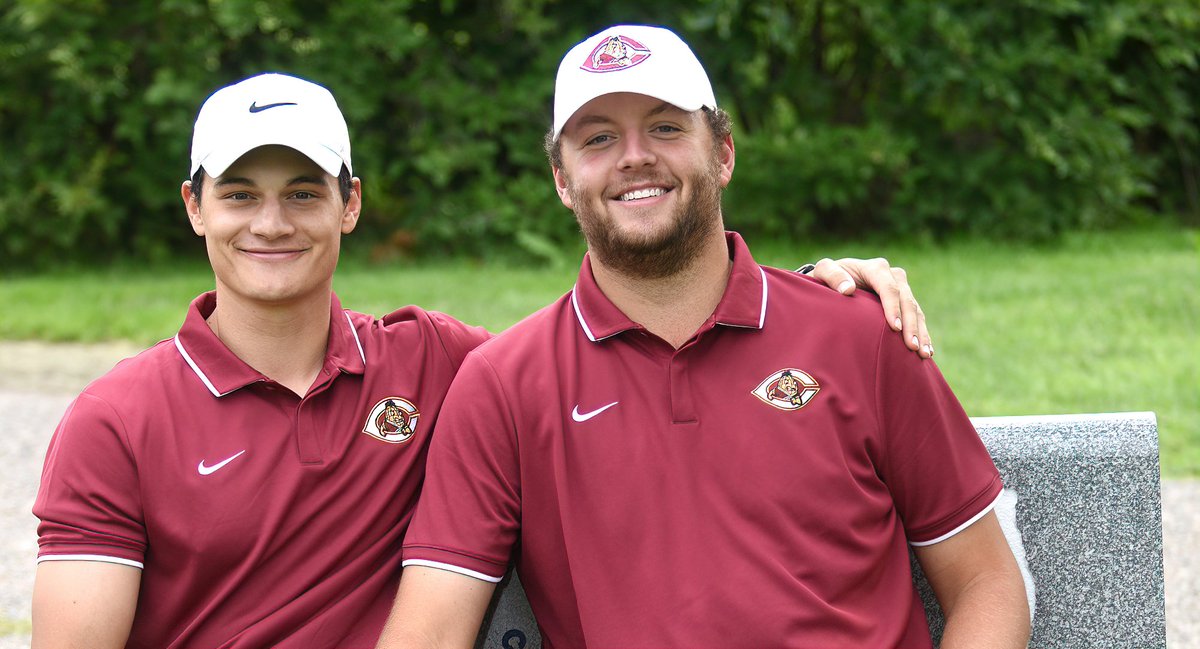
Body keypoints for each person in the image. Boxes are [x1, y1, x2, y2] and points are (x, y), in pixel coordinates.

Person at [30, 72, 929, 648]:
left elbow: (610, 355)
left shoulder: (430, 363)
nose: (272, 223)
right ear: (194, 206)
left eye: (303, 191)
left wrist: (810, 296)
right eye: (240, 194)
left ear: (349, 204)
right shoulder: (117, 419)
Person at [380, 25, 1030, 649]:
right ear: (561, 179)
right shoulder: (505, 385)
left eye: (665, 126)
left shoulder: (860, 333)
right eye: (599, 138)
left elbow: (986, 580)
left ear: (722, 152)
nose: (635, 156)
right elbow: (429, 632)